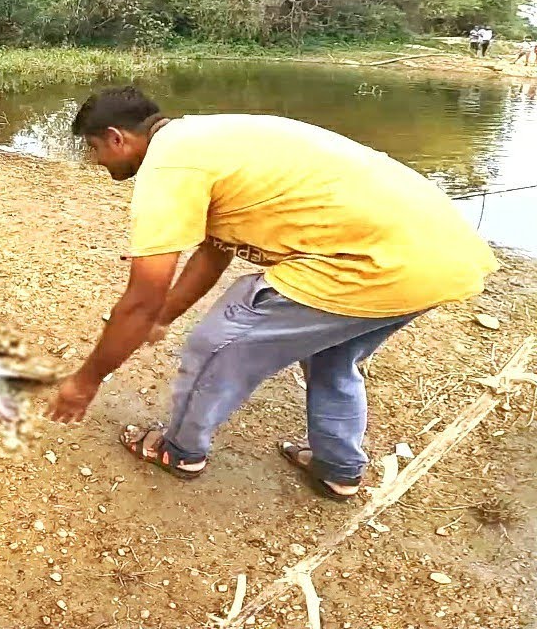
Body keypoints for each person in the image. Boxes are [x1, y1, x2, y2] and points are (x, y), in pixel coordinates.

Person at [47, 87, 497, 501]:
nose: (97, 163)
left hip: (372, 263)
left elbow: (142, 295)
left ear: (116, 137)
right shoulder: (206, 138)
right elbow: (212, 251)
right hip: (441, 259)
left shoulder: (170, 165)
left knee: (214, 346)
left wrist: (84, 382)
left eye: (94, 150)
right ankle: (337, 468)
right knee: (332, 357)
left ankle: (179, 449)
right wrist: (163, 317)